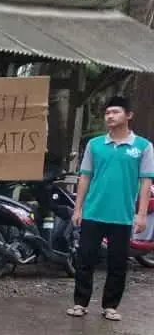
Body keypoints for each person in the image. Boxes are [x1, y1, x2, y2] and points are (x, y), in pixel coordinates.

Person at [68, 95, 154, 321]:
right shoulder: (95, 145)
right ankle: (80, 303)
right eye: (107, 113)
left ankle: (110, 306)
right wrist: (78, 209)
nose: (110, 116)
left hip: (123, 215)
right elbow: (84, 177)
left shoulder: (143, 147)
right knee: (85, 258)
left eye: (115, 112)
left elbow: (146, 182)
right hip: (93, 211)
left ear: (129, 115)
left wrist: (141, 214)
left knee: (117, 263)